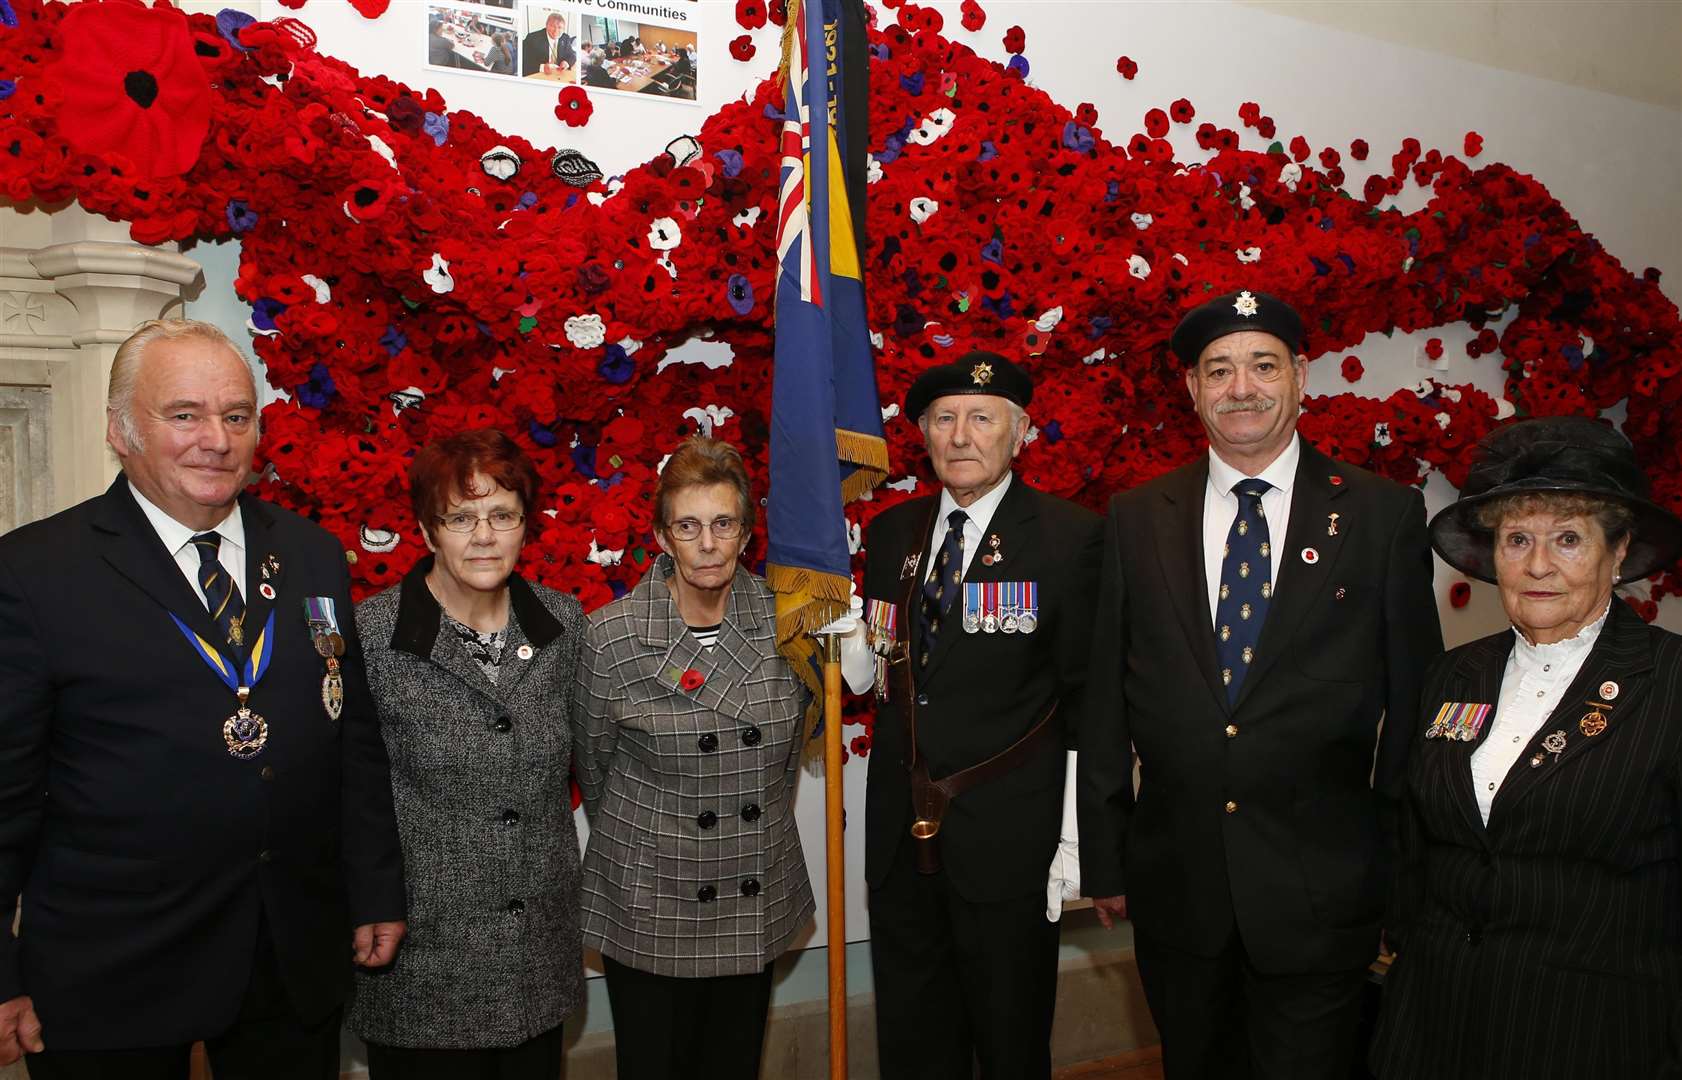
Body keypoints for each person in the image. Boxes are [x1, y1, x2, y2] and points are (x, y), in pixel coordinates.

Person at [0, 318, 407, 1077]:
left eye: (237, 415)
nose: (216, 440)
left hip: (287, 951)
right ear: (120, 431)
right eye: (183, 415)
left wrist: (376, 887)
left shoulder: (311, 553)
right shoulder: (35, 573)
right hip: (116, 969)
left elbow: (350, 739)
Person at [1077, 290, 1443, 1080]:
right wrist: (1104, 861)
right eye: (1219, 370)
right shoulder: (1137, 517)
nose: (1241, 386)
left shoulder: (1383, 516)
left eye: (1263, 365)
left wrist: (1399, 874)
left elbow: (1413, 709)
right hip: (1178, 890)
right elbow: (1106, 699)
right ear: (1192, 391)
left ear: (1303, 377)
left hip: (1324, 888)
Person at [1369, 416, 1682, 1079]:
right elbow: (1414, 841)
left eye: (1569, 539)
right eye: (1518, 539)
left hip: (1592, 1036)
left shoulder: (1671, 684)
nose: (1539, 565)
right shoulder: (1454, 673)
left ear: (1618, 550)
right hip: (1433, 1026)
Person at [837, 351, 1103, 1080]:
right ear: (923, 436)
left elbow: (1086, 701)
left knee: (1010, 1039)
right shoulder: (895, 533)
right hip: (901, 833)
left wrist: (1077, 839)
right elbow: (888, 669)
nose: (961, 436)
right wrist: (847, 648)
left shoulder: (1070, 537)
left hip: (1010, 838)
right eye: (944, 420)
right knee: (914, 1039)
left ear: (1019, 434)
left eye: (982, 419)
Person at [573, 437, 815, 1080]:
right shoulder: (612, 636)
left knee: (733, 1065)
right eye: (688, 526)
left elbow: (786, 757)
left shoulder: (787, 620)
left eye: (723, 524)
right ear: (661, 536)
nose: (707, 544)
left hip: (750, 885)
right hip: (654, 895)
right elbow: (594, 770)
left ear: (745, 535)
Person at [349, 430, 585, 1078]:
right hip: (422, 964)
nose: (484, 535)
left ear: (524, 526)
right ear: (429, 531)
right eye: (460, 517)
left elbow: (601, 766)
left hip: (534, 961)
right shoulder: (371, 636)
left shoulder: (563, 626)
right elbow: (347, 793)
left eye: (502, 514)